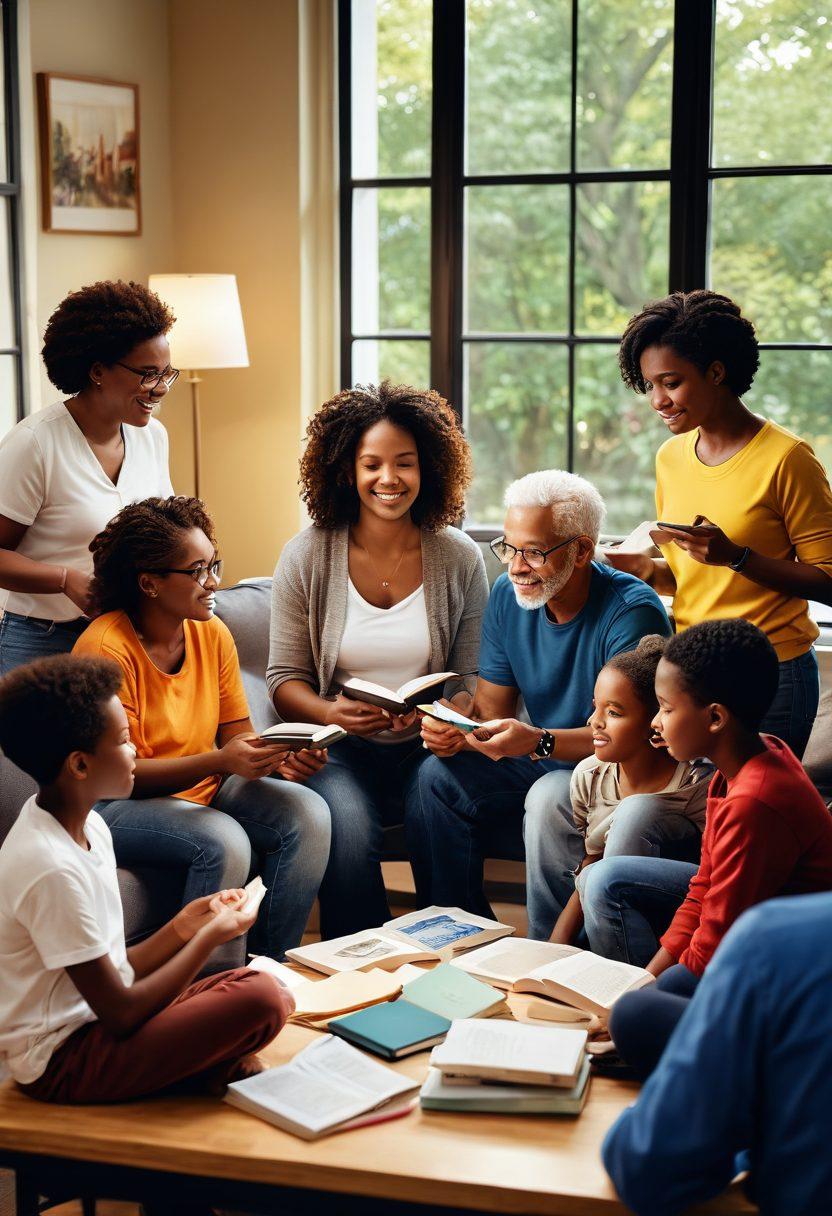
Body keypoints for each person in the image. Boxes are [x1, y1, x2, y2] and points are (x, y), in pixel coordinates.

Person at [0, 654, 294, 1104]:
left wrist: (183, 927)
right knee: (261, 1000)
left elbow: (117, 971)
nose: (136, 749)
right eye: (123, 740)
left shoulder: (89, 826)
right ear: (79, 765)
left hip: (101, 1022)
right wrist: (210, 938)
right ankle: (202, 1067)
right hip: (63, 1061)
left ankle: (200, 1065)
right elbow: (121, 1012)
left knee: (267, 987)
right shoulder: (50, 867)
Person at [407, 470, 672, 938]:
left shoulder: (632, 612)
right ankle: (458, 932)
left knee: (550, 793)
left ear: (582, 551)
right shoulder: (508, 597)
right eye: (508, 548)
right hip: (541, 755)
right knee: (437, 776)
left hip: (614, 771)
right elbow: (492, 711)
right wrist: (461, 731)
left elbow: (630, 738)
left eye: (533, 552)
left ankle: (554, 951)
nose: (515, 567)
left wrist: (538, 742)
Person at [268, 382, 488, 937]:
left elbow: (472, 673)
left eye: (404, 463)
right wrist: (330, 713)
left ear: (429, 467)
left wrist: (451, 715)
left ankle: (455, 945)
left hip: (428, 746)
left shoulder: (458, 556)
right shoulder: (306, 554)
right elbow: (284, 678)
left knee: (438, 802)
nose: (389, 479)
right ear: (346, 470)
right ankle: (360, 957)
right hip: (340, 748)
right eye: (372, 464)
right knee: (346, 823)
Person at [73, 496, 331, 961]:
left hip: (202, 788)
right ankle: (210, 985)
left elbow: (237, 734)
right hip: (114, 806)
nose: (213, 582)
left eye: (214, 565)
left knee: (308, 813)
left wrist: (279, 753)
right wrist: (220, 760)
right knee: (223, 839)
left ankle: (269, 967)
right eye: (197, 571)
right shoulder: (106, 649)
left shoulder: (210, 631)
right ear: (149, 583)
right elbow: (117, 777)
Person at [581, 619, 832, 1078]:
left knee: (633, 1018)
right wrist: (645, 981)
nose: (655, 722)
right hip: (752, 943)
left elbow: (719, 939)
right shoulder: (738, 766)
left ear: (715, 718)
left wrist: (641, 1004)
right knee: (634, 997)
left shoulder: (756, 801)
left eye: (665, 708)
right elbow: (702, 891)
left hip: (790, 975)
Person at [609, 289, 832, 758]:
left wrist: (738, 557)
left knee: (754, 802)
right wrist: (649, 572)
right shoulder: (671, 457)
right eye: (649, 385)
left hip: (770, 675)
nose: (658, 400)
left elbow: (828, 580)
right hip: (690, 672)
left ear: (716, 372)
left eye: (671, 382)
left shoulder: (788, 459)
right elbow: (701, 578)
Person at [603, 892, 832, 1216]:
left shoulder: (772, 938)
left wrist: (655, 1101)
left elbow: (645, 1172)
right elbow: (701, 891)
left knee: (642, 1008)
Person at [0, 281, 178, 674]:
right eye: (148, 374)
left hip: (125, 633)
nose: (161, 388)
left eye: (167, 373)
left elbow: (160, 533)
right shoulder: (34, 444)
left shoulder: (152, 436)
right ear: (97, 371)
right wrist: (64, 579)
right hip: (42, 640)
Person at [549, 636, 708, 946]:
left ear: (656, 721)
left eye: (614, 713)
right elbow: (593, 860)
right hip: (608, 906)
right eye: (596, 707)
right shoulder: (589, 775)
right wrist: (557, 942)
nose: (594, 722)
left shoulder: (694, 783)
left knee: (636, 812)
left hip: (681, 913)